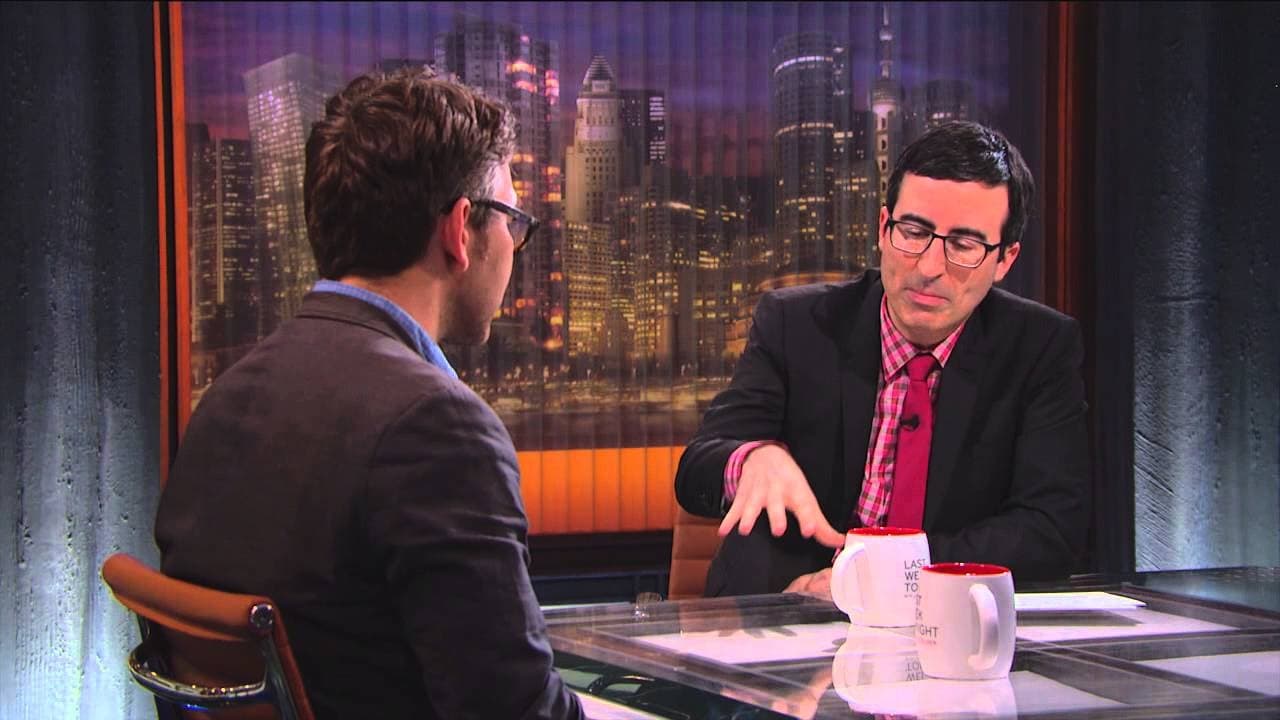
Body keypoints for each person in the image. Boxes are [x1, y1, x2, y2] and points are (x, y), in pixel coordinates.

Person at [155, 68, 583, 719]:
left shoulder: (228, 399)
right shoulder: (438, 428)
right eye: (512, 220)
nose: (515, 246)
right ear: (459, 230)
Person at [675, 121, 1090, 597]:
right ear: (882, 228)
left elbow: (1050, 530)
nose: (929, 268)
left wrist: (890, 577)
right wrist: (751, 458)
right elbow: (696, 470)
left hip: (945, 616)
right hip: (785, 610)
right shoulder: (797, 324)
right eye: (913, 232)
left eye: (963, 245)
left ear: (1005, 260)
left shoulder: (1039, 348)